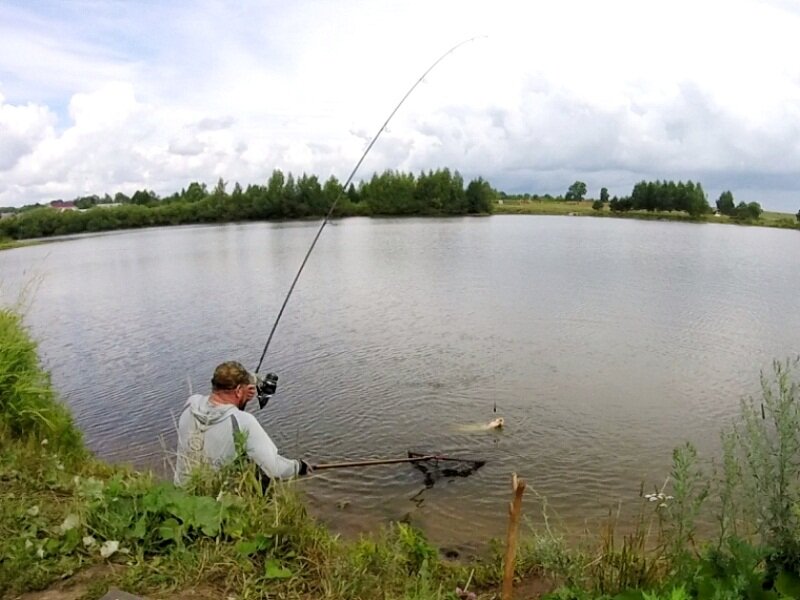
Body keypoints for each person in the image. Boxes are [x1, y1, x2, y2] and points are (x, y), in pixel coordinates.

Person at [174, 361, 310, 488]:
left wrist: (242, 395)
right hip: (210, 502)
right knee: (261, 475)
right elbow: (273, 468)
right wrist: (298, 467)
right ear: (238, 390)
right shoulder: (244, 421)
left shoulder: (191, 404)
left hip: (181, 492)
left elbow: (219, 410)